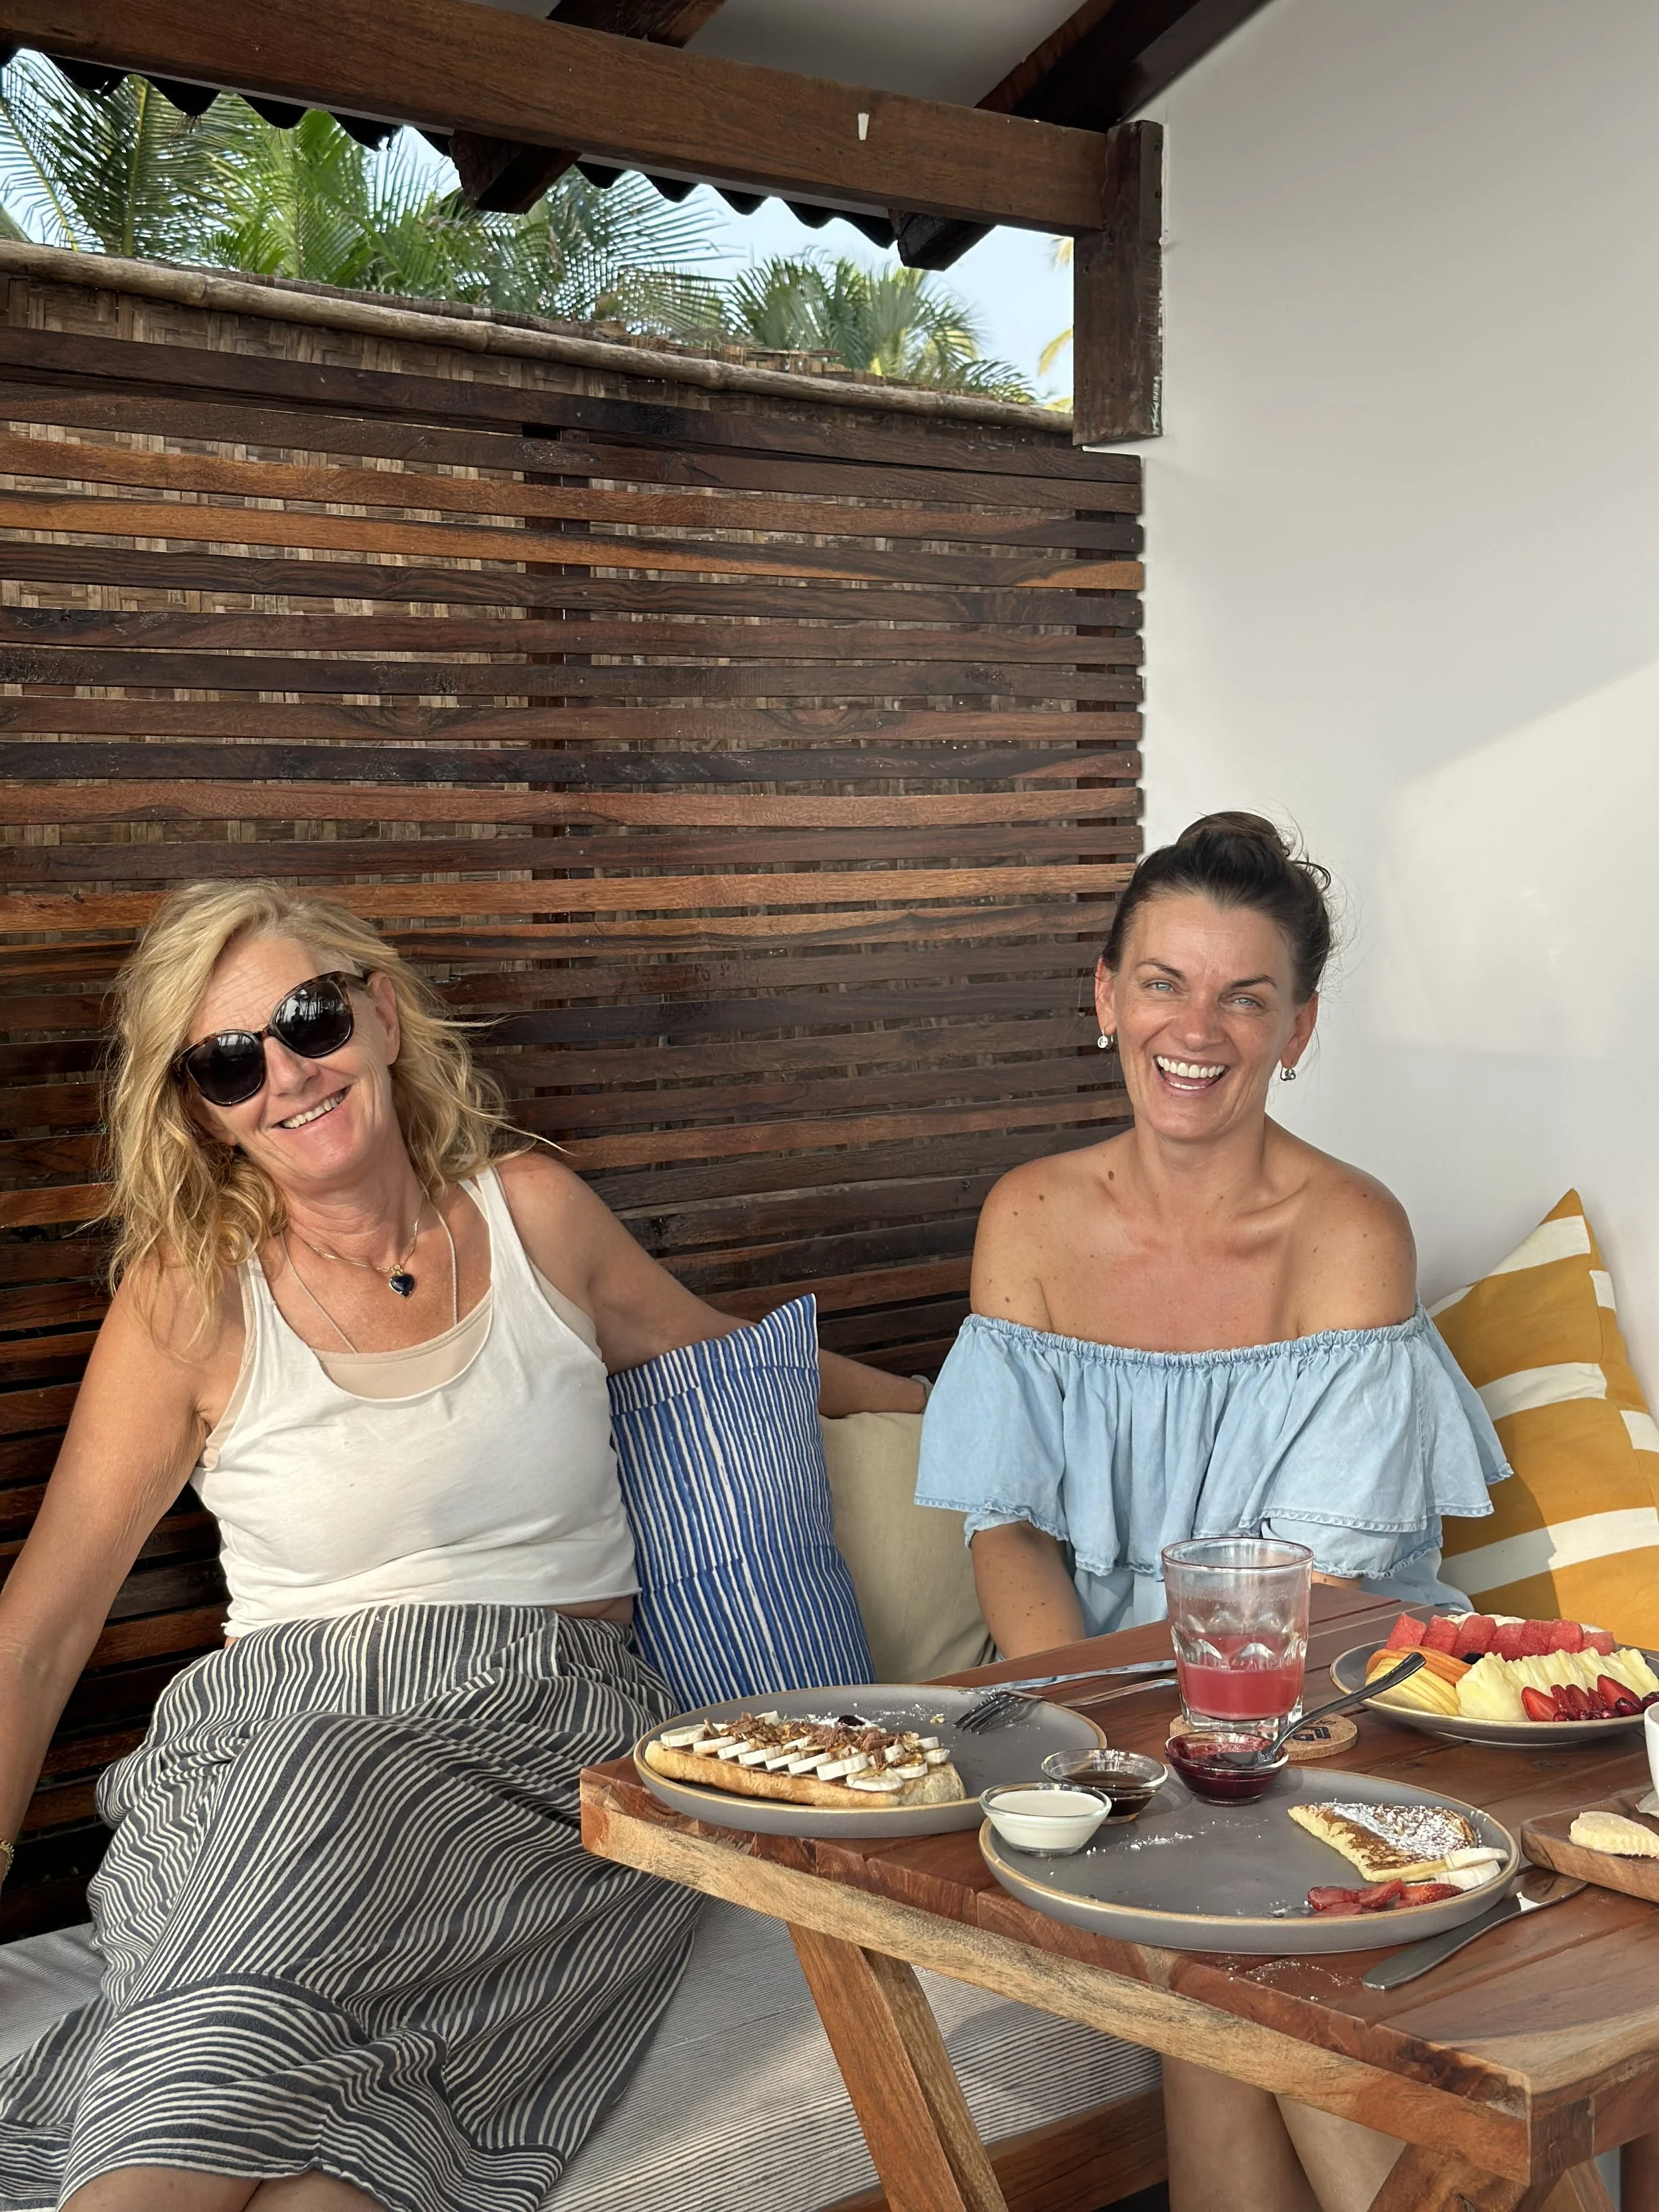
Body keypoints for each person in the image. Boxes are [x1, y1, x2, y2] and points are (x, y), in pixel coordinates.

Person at [0, 881, 921, 2212]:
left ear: (379, 1016)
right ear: (199, 1107)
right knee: (311, 1809)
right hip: (268, 1758)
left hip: (542, 1750)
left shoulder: (532, 1213)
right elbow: (34, 1635)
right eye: (228, 1060)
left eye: (309, 1019)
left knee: (336, 2072)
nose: (286, 1075)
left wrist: (976, 1419)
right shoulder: (190, 1296)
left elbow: (740, 1358)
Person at [915, 812, 1508, 2212]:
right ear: (1104, 994)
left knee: (1218, 1958)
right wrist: (1081, 1762)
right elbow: (1007, 1527)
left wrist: (1180, 1797)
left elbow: (1312, 1597)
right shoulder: (1028, 1216)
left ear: (1296, 1029)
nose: (1198, 1026)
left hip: (1325, 1698)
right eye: (1165, 982)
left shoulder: (1346, 1230)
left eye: (1244, 996)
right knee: (1208, 1960)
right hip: (1110, 1715)